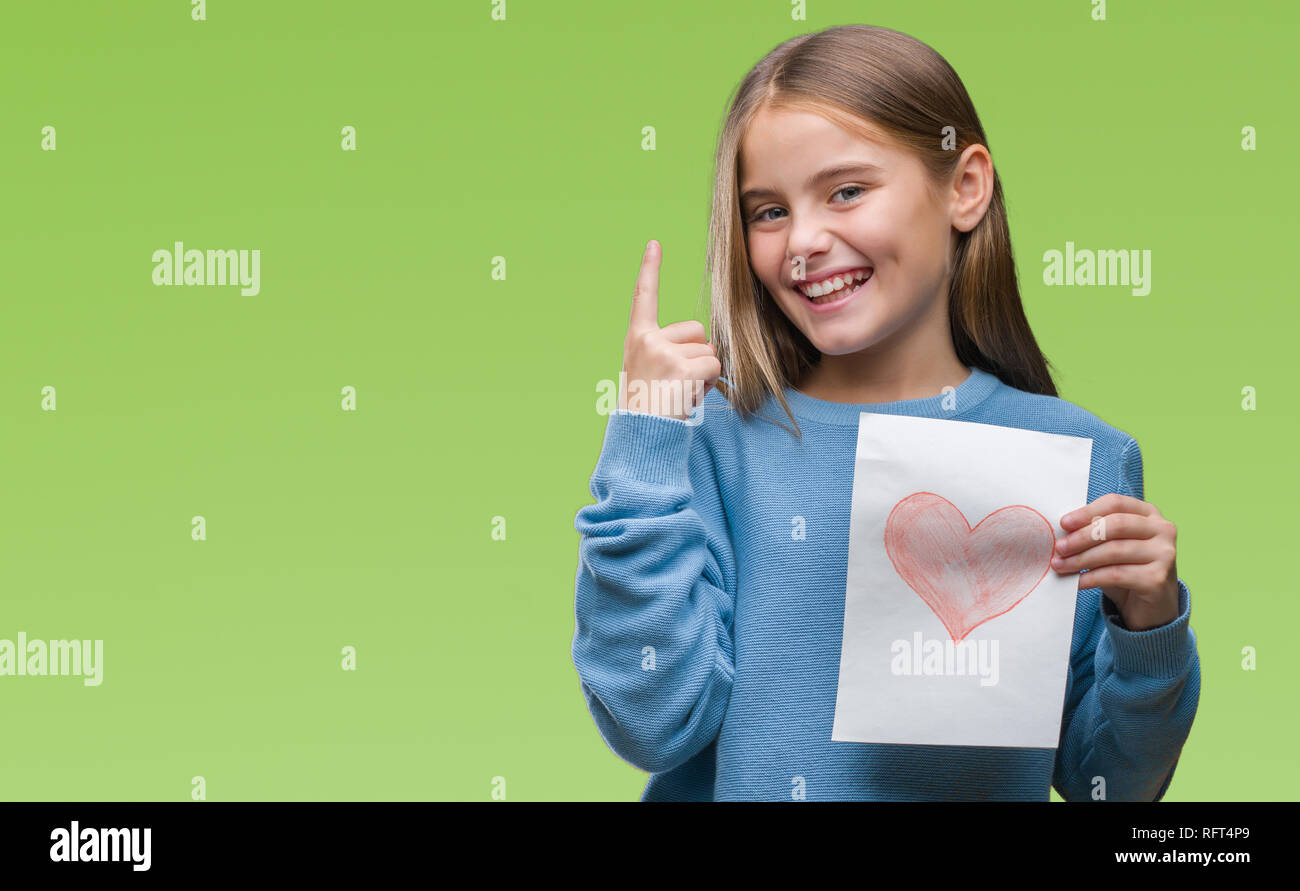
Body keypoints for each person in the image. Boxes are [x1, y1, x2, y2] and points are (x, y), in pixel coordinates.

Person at [571, 24, 1200, 801]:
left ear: (964, 187)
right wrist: (642, 443)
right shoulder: (712, 444)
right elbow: (651, 723)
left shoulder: (1079, 456)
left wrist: (1151, 624)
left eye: (845, 191)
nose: (802, 241)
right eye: (766, 212)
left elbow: (1110, 781)